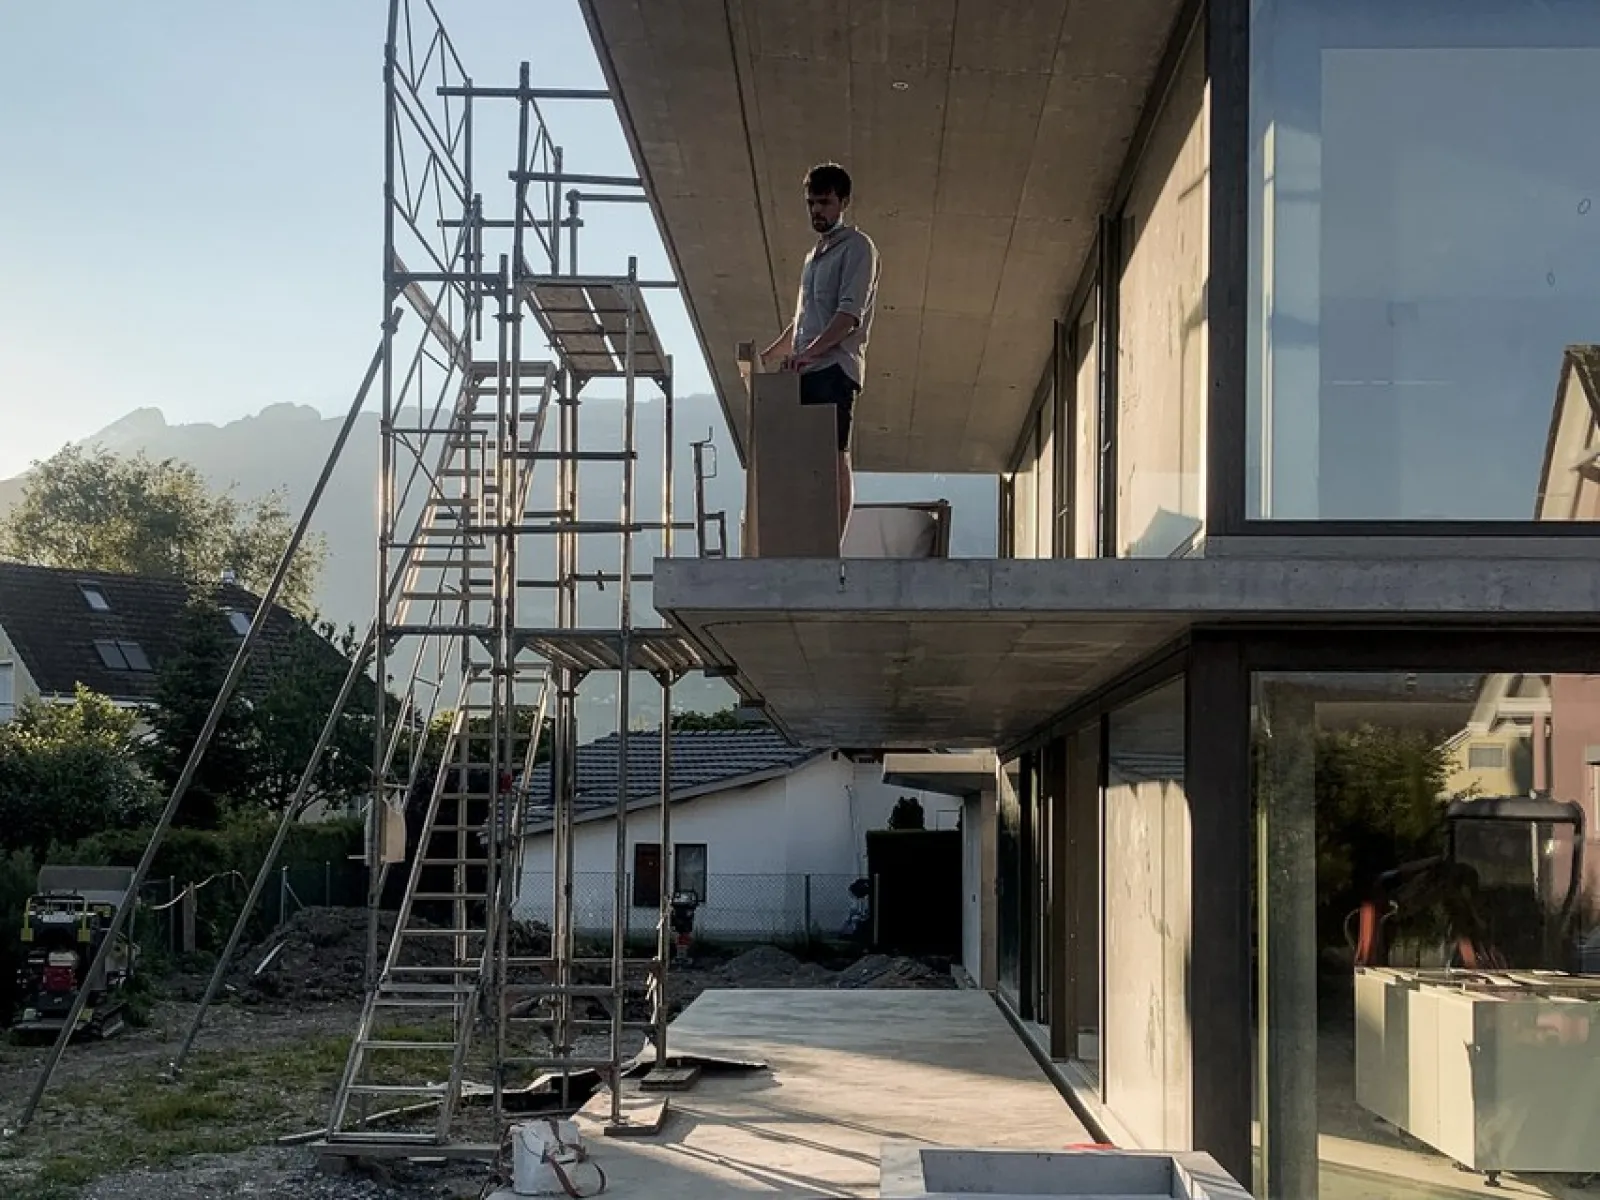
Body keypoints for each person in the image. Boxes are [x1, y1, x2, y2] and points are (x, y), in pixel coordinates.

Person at [759, 161, 880, 544]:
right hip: (807, 371)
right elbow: (805, 316)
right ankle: (805, 535)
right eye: (812, 203)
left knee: (833, 455)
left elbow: (848, 315)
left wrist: (809, 354)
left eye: (825, 202)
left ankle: (833, 544)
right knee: (804, 461)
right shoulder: (813, 258)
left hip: (834, 369)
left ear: (843, 202)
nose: (817, 211)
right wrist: (775, 353)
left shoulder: (858, 247)